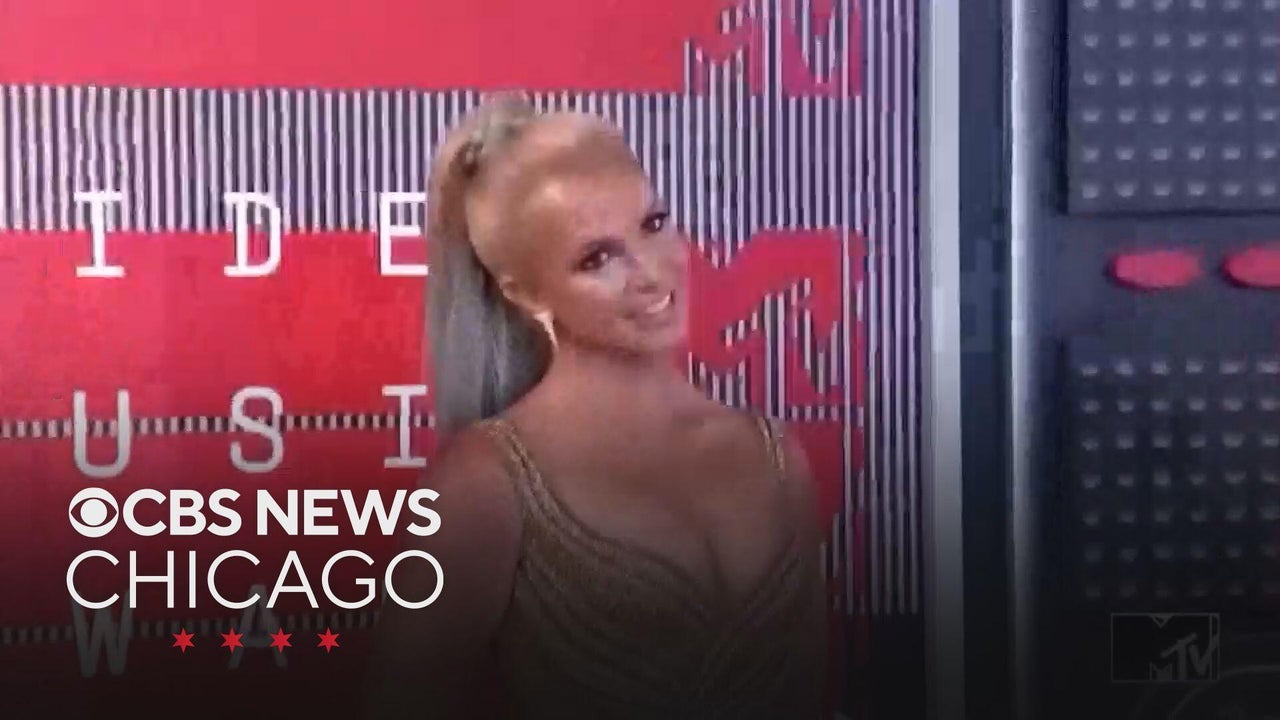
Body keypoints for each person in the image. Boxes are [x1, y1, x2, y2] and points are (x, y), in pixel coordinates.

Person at [363, 94, 828, 719]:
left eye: (653, 224)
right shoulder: (482, 486)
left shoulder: (775, 457)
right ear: (525, 293)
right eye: (598, 258)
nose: (652, 273)